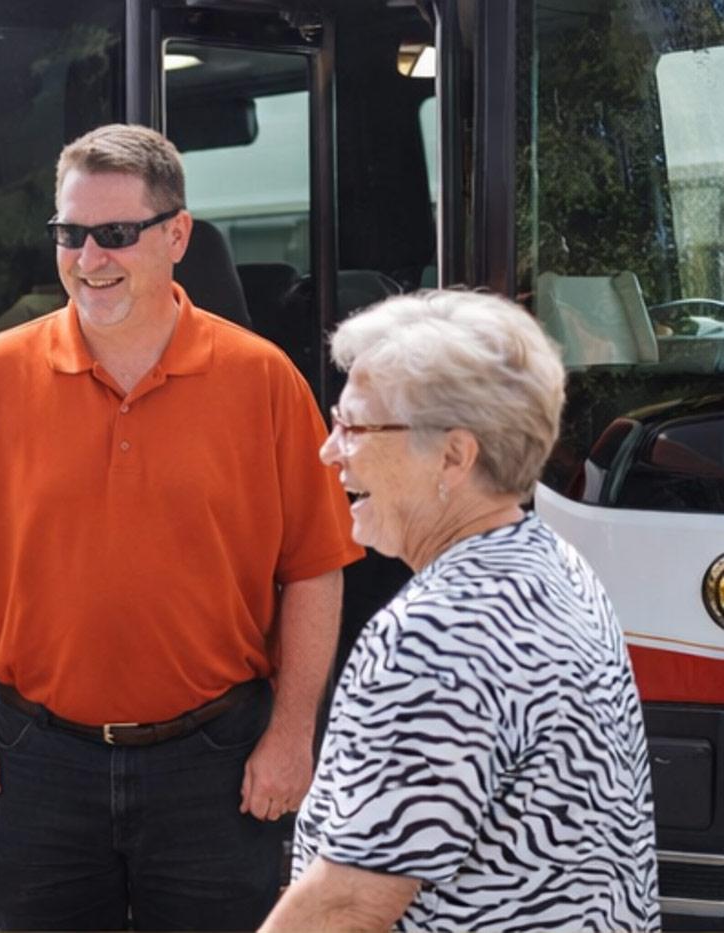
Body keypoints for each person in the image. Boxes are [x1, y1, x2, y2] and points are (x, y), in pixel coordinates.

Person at [0, 123, 362, 930]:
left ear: (177, 235)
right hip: (37, 761)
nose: (89, 259)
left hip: (216, 761)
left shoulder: (264, 380)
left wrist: (294, 734)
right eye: (70, 234)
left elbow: (315, 569)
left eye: (116, 234)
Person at [262, 290, 659, 931]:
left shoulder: (435, 633)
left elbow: (352, 900)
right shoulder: (556, 565)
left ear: (454, 455)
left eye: (356, 427)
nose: (328, 451)